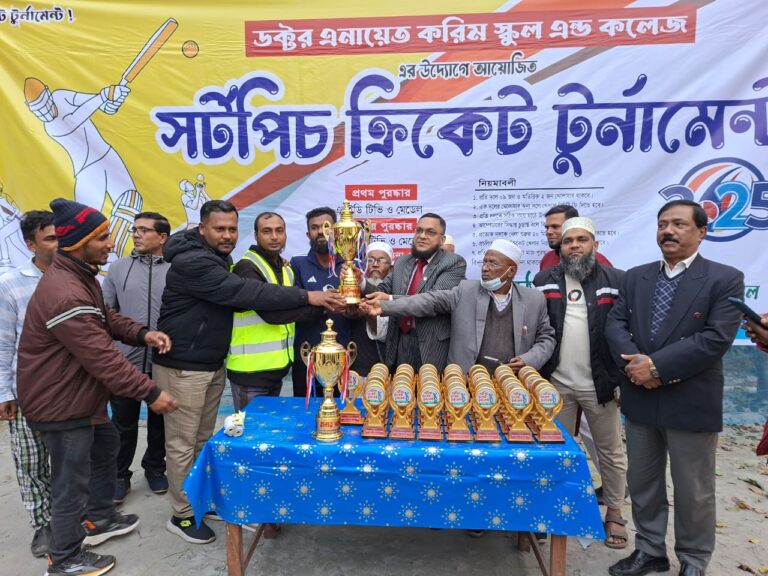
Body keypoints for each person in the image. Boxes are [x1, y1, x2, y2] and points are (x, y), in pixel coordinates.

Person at [153, 200, 342, 545]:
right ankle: (182, 515)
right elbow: (244, 293)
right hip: (183, 364)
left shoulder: (217, 258)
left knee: (202, 439)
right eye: (219, 229)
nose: (227, 235)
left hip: (210, 362)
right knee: (182, 442)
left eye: (231, 229)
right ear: (202, 229)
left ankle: (200, 500)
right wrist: (310, 298)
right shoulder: (195, 261)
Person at [16, 199, 178, 576]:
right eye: (102, 237)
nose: (112, 243)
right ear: (78, 242)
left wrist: (142, 333)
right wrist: (151, 392)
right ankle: (65, 557)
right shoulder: (65, 290)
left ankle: (99, 519)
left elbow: (106, 318)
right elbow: (101, 356)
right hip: (60, 402)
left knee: (106, 446)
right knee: (70, 482)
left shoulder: (81, 276)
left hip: (80, 397)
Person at [605, 200, 744, 576]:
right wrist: (635, 367)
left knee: (693, 488)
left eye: (679, 224)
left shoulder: (724, 278)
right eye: (663, 224)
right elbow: (615, 324)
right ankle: (649, 550)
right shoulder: (636, 277)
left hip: (689, 399)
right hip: (640, 395)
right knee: (643, 482)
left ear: (702, 232)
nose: (668, 231)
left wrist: (656, 367)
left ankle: (694, 560)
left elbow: (715, 338)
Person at [534, 217, 628, 549]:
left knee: (610, 451)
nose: (574, 245)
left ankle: (614, 512)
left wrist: (621, 378)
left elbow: (625, 330)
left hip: (599, 384)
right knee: (552, 450)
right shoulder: (544, 281)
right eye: (568, 240)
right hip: (556, 383)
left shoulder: (616, 281)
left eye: (582, 240)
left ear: (595, 245)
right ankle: (549, 510)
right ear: (560, 248)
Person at [363, 239, 553, 374]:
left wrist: (528, 360)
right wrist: (386, 304)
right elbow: (428, 300)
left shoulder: (533, 299)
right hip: (465, 384)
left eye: (493, 263)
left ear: (511, 271)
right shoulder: (465, 290)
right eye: (484, 262)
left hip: (513, 385)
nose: (485, 268)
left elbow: (546, 338)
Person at [102, 212, 171, 504]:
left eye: (144, 230)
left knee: (160, 423)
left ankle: (155, 468)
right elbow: (105, 312)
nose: (136, 234)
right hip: (125, 363)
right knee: (123, 423)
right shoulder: (118, 268)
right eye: (134, 229)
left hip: (165, 361)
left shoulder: (176, 269)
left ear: (162, 237)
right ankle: (119, 476)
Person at [0, 210, 57, 557]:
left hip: (71, 391)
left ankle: (69, 517)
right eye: (50, 238)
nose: (59, 244)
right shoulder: (10, 284)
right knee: (31, 463)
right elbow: (3, 343)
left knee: (70, 462)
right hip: (28, 393)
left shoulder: (83, 279)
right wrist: (3, 392)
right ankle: (43, 526)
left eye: (62, 236)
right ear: (30, 244)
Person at [227, 211, 324, 408]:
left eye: (279, 231)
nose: (274, 237)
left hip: (276, 370)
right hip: (250, 372)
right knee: (250, 426)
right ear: (256, 235)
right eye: (267, 231)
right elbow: (272, 314)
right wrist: (322, 307)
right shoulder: (247, 267)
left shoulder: (286, 268)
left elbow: (292, 308)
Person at [365, 213, 466, 371]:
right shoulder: (402, 262)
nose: (422, 236)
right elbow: (380, 291)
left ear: (442, 240)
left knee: (431, 387)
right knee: (400, 386)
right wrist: (359, 282)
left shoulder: (453, 262)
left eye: (430, 232)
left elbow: (432, 301)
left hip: (431, 347)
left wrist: (388, 301)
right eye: (419, 230)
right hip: (399, 342)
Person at [290, 206, 352, 397]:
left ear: (336, 231)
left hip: (345, 356)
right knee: (304, 408)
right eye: (314, 228)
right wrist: (325, 303)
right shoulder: (296, 264)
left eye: (325, 227)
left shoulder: (352, 264)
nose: (320, 232)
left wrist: (351, 308)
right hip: (306, 355)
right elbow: (293, 307)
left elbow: (361, 308)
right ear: (308, 234)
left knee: (343, 409)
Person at [348, 241, 393, 375]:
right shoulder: (353, 287)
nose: (375, 264)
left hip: (386, 367)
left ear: (391, 268)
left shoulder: (396, 293)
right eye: (370, 260)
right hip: (358, 364)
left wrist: (369, 313)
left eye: (381, 260)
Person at [539, 204, 612, 271]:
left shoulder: (600, 263)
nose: (549, 232)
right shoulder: (547, 258)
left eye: (555, 227)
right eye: (547, 228)